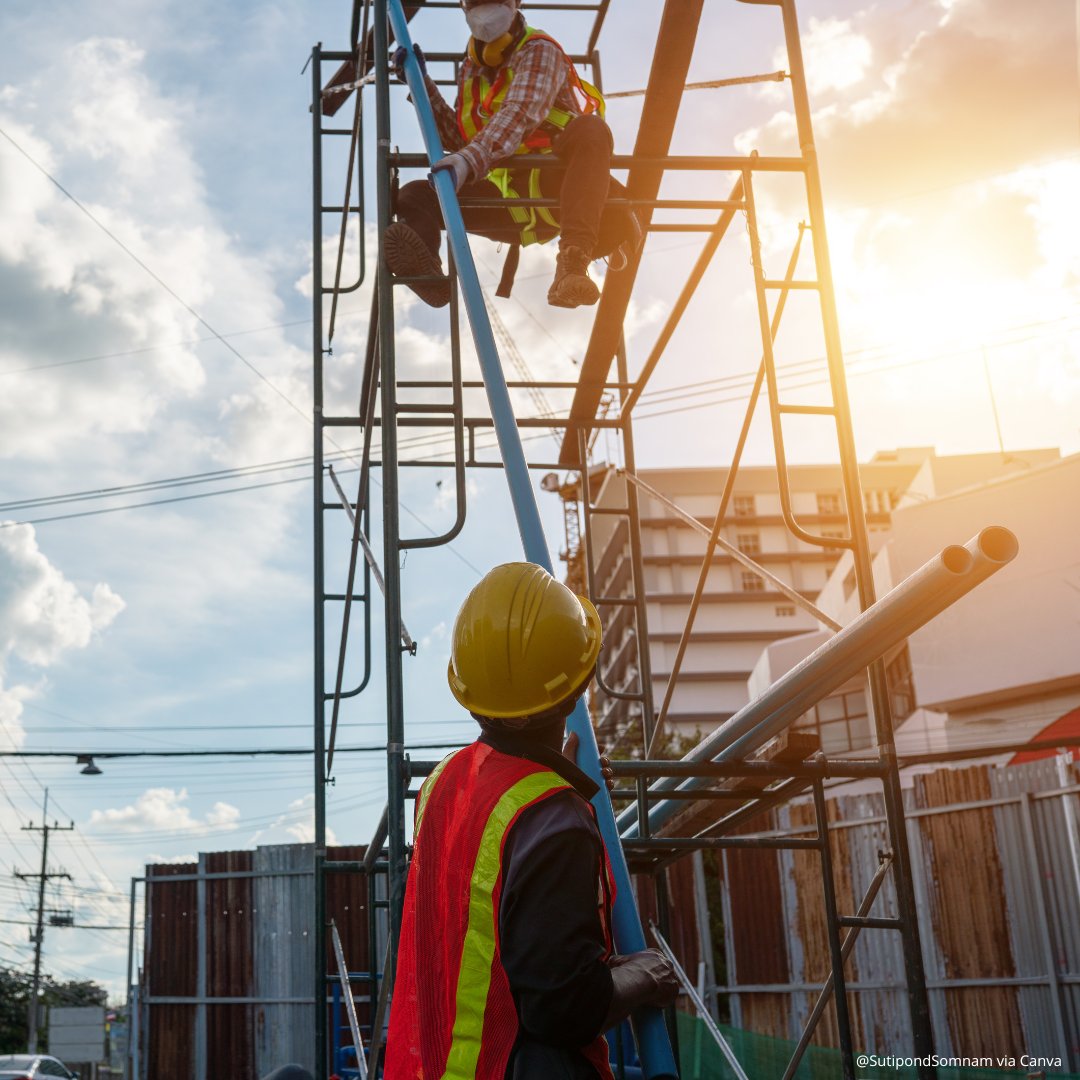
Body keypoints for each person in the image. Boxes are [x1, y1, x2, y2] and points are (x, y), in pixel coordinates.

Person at [384, 562, 679, 1080]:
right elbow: (563, 1008)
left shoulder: (442, 783)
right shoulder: (556, 821)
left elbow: (490, 915)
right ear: (578, 685)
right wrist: (647, 976)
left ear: (469, 693)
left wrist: (563, 780)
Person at [386, 0, 641, 310]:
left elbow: (520, 113)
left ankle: (573, 263)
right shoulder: (470, 69)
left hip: (561, 187)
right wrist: (422, 87)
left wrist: (468, 161)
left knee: (591, 129)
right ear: (463, 7)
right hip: (507, 199)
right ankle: (430, 279)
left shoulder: (539, 50)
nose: (486, 7)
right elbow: (460, 138)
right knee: (415, 196)